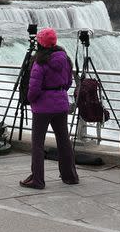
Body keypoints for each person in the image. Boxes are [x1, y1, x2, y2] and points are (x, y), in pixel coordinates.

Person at [19, 27, 78, 190]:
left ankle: (37, 180)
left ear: (40, 44)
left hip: (42, 108)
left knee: (38, 143)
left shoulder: (39, 62)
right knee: (64, 140)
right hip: (60, 103)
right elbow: (68, 82)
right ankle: (70, 176)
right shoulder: (65, 58)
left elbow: (34, 89)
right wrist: (58, 93)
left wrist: (31, 100)